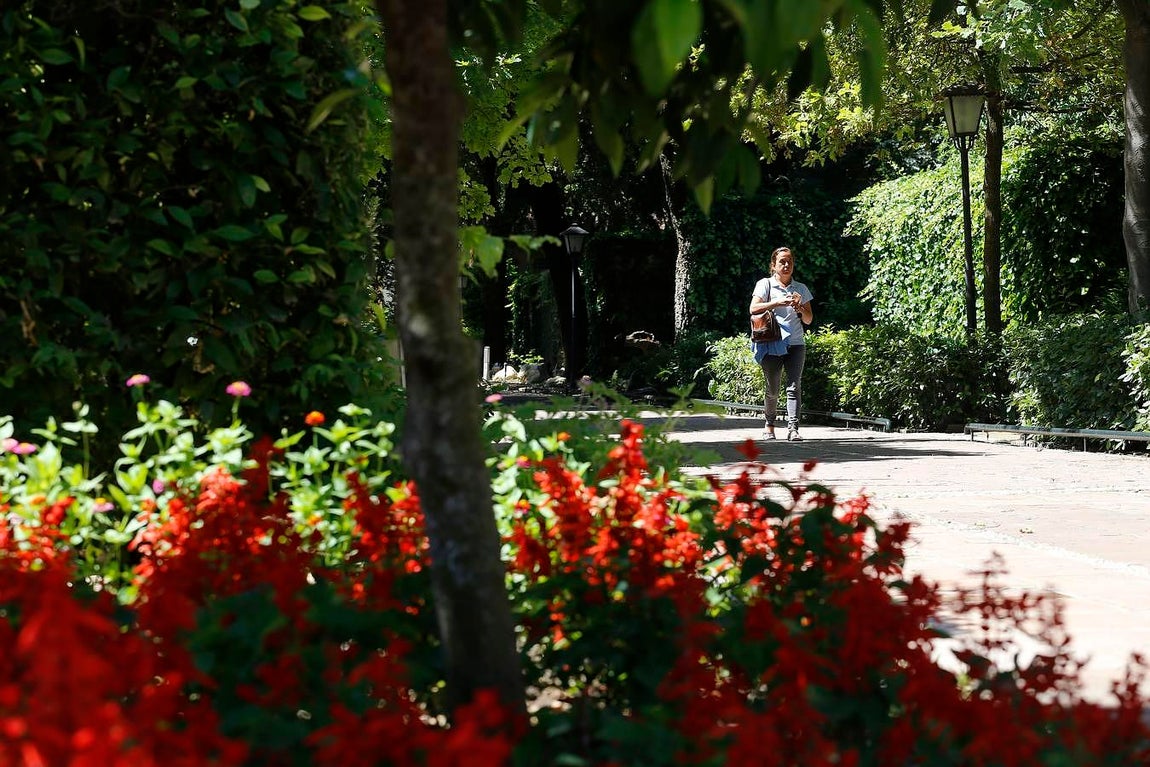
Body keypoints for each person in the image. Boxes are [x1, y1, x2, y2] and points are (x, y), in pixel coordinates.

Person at [749, 246, 814, 441]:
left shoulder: (801, 288)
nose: (786, 265)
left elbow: (809, 320)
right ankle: (769, 424)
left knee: (794, 386)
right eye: (782, 262)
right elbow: (753, 308)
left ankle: (793, 428)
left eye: (790, 261)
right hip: (772, 343)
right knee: (773, 388)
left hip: (796, 343)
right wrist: (777, 303)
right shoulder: (765, 284)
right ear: (773, 265)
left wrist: (799, 307)